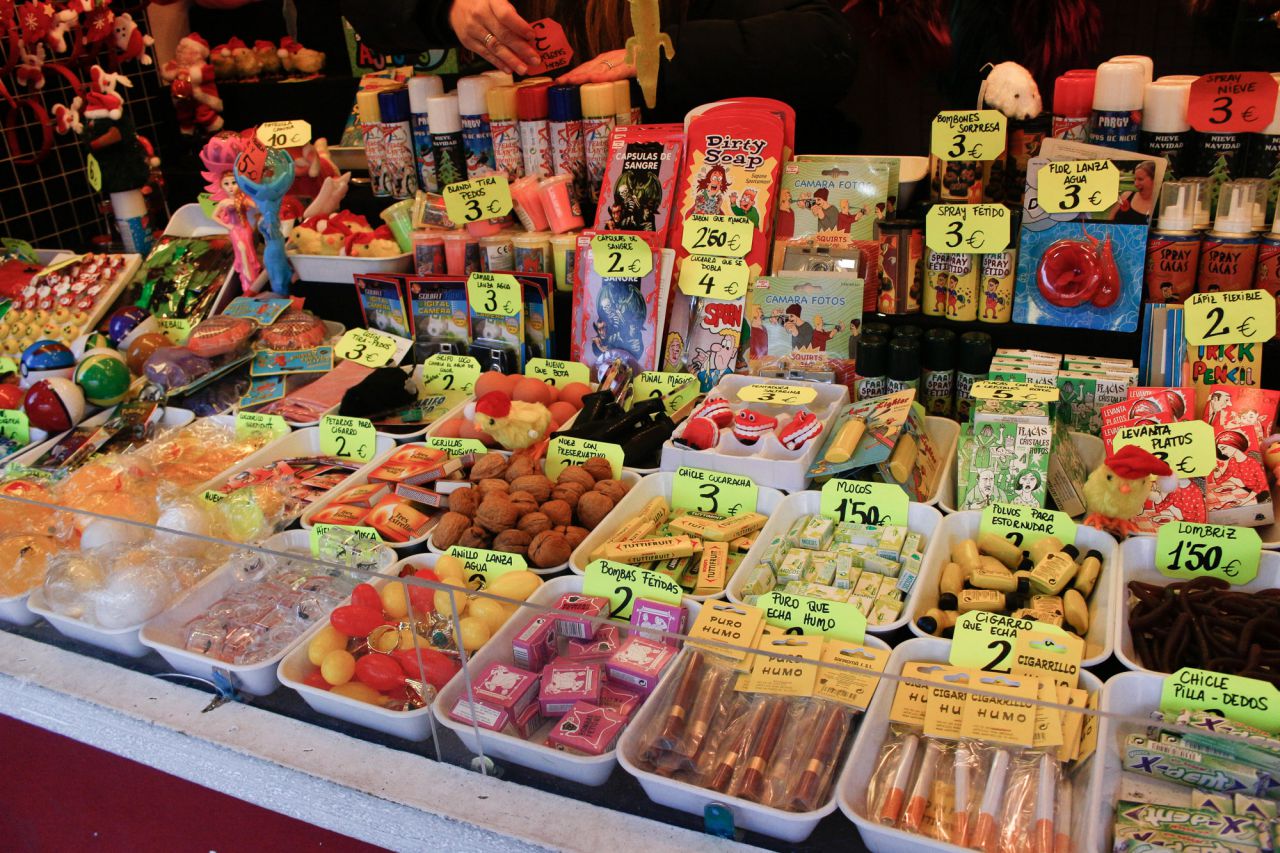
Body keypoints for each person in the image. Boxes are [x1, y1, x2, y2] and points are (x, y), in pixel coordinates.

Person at [339, 1, 855, 138]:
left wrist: (662, 59)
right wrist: (444, 7)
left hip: (687, 210)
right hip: (522, 215)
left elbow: (826, 46)